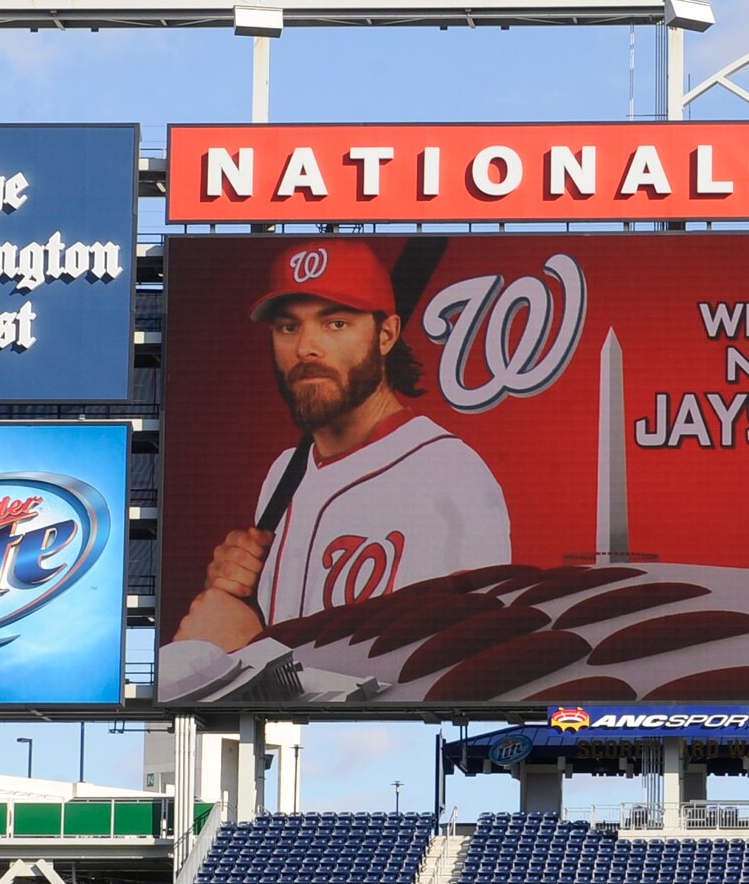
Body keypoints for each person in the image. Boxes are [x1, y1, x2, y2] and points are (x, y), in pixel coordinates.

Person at [159, 241, 510, 698]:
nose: (307, 347)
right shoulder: (284, 473)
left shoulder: (451, 477)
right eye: (288, 327)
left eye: (336, 323)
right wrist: (238, 593)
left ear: (386, 336)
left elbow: (467, 682)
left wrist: (245, 652)